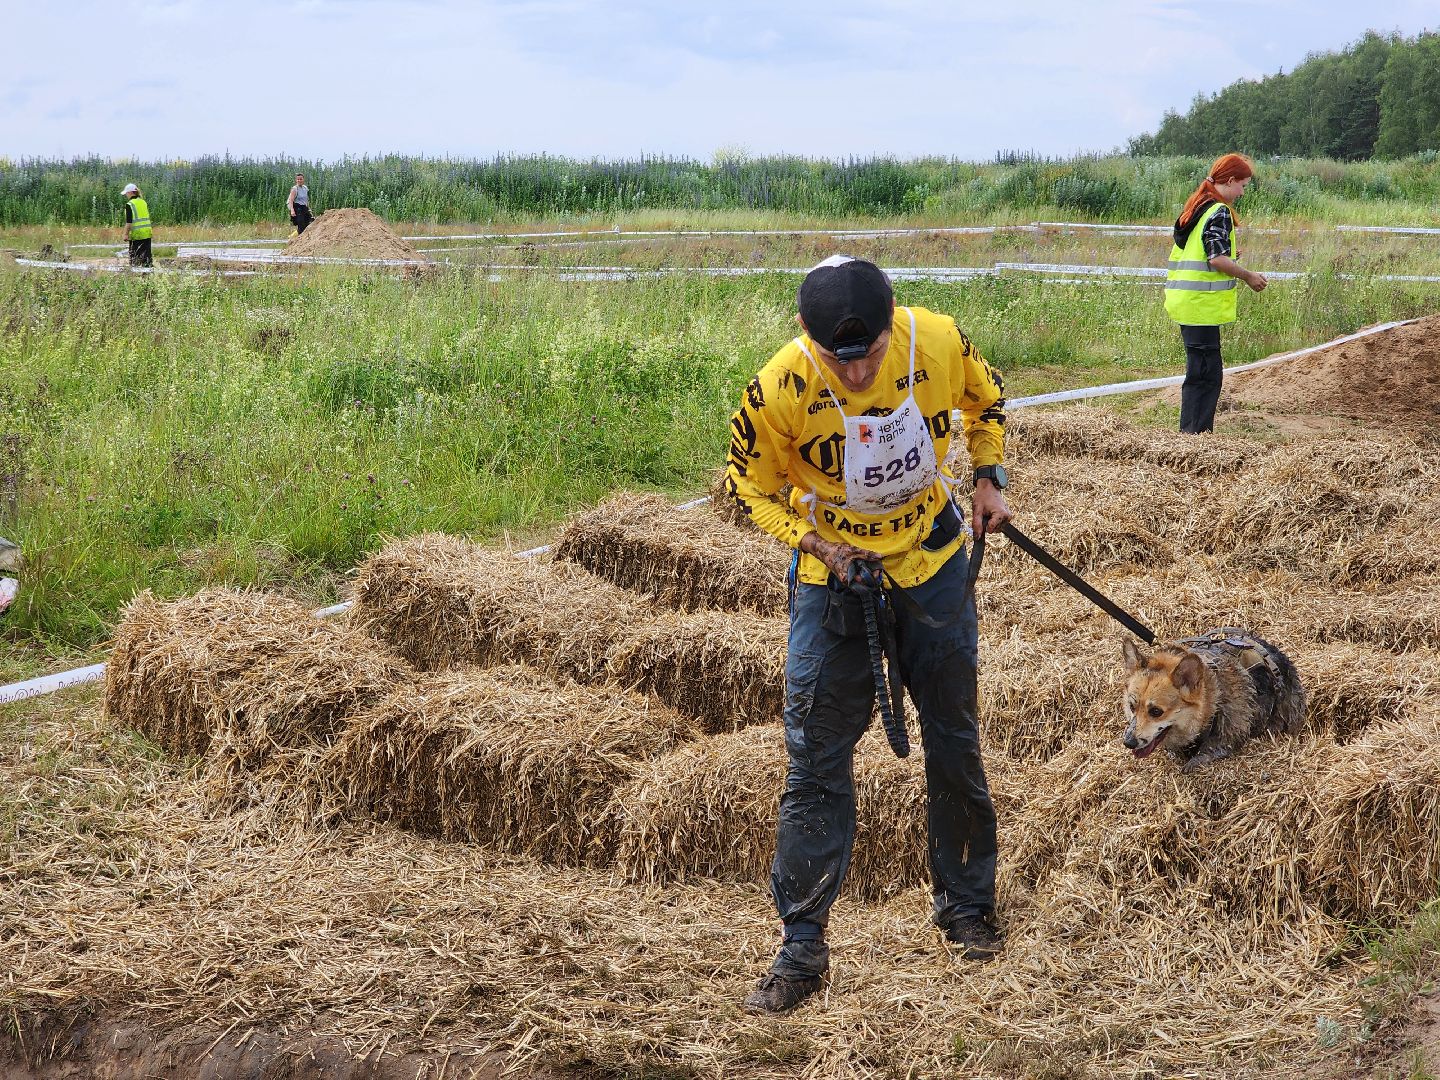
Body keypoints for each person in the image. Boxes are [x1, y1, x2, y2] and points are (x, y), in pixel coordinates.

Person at [724, 255, 1012, 1014]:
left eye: (871, 356)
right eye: (838, 360)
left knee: (954, 739)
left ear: (893, 323)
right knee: (814, 761)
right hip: (834, 583)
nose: (856, 375)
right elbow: (745, 485)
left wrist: (989, 479)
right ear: (805, 336)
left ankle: (967, 907)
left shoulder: (939, 341)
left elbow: (990, 400)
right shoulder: (777, 389)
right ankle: (801, 947)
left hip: (934, 566)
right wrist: (814, 543)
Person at [1163, 153, 1267, 434]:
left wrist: (1231, 254)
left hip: (1187, 302)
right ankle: (1196, 438)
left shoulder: (1198, 206)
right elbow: (1216, 260)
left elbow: (1207, 250)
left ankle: (1193, 435)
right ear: (1230, 180)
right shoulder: (1218, 211)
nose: (1243, 192)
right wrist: (1248, 275)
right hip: (1201, 305)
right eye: (1242, 185)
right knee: (1206, 376)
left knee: (1200, 373)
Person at [121, 183, 153, 268]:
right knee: (146, 259)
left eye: (126, 193)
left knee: (135, 260)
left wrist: (125, 234)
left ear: (130, 192)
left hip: (136, 235)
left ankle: (135, 277)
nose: (126, 195)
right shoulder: (143, 202)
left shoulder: (130, 204)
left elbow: (129, 222)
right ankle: (147, 278)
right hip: (147, 233)